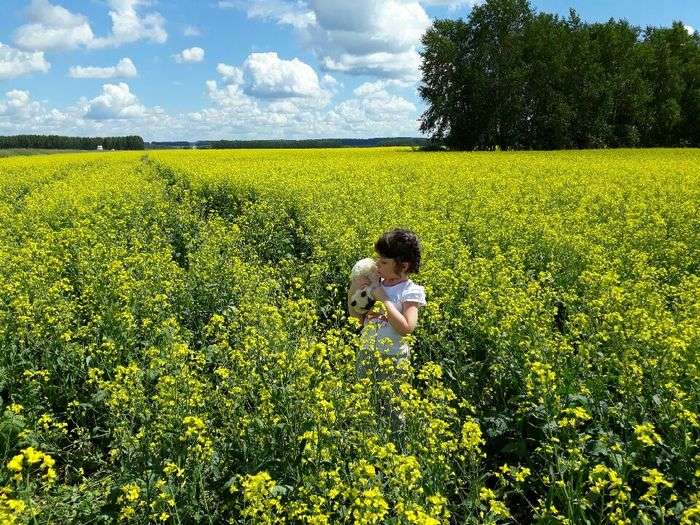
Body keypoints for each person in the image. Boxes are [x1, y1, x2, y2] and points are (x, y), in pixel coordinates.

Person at [350, 228, 427, 369]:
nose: (377, 264)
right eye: (377, 259)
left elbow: (407, 328)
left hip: (393, 359)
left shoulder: (410, 291)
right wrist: (354, 288)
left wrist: (385, 300)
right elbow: (358, 319)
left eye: (384, 262)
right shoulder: (375, 284)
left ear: (403, 266)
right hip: (366, 353)